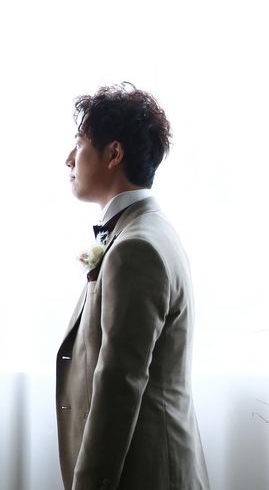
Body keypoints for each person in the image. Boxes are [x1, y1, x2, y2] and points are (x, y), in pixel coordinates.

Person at [57, 83, 210, 490]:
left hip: (144, 472)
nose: (69, 159)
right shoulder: (148, 229)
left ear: (113, 154)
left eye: (79, 144)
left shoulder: (136, 247)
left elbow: (120, 385)